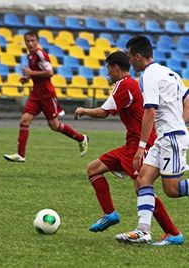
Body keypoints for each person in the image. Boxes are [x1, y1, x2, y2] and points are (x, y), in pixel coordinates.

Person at [74, 51, 184, 246]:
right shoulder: (135, 83)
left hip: (139, 145)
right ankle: (110, 213)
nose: (107, 73)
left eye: (108, 69)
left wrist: (84, 111)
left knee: (144, 185)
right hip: (133, 143)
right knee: (94, 169)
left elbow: (104, 112)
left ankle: (171, 232)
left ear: (116, 68)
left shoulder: (123, 85)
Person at [115, 36, 189, 245]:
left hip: (171, 139)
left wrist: (140, 147)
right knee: (142, 181)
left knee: (171, 190)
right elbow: (188, 101)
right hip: (167, 137)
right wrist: (180, 123)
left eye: (130, 57)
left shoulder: (148, 76)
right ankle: (143, 231)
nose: (129, 61)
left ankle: (167, 235)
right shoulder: (170, 72)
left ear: (138, 56)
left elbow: (149, 111)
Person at [4, 31, 88, 162]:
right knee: (24, 120)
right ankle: (21, 155)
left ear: (37, 41)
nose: (30, 43)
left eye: (33, 41)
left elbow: (49, 72)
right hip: (35, 94)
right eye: (28, 41)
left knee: (54, 126)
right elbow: (37, 72)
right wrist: (27, 78)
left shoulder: (40, 54)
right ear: (25, 42)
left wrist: (31, 72)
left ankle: (81, 138)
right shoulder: (30, 56)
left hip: (47, 95)